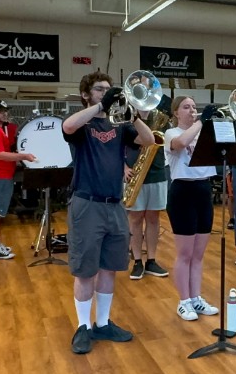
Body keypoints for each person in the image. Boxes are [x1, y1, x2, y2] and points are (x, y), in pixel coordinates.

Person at [62, 72, 155, 354]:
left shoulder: (120, 125)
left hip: (114, 204)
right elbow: (67, 126)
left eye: (108, 89)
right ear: (86, 94)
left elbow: (149, 140)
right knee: (85, 270)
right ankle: (83, 327)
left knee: (109, 268)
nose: (105, 92)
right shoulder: (84, 124)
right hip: (86, 203)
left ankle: (102, 323)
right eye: (99, 89)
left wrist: (132, 114)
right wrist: (101, 106)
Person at [163, 96, 221, 321]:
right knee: (185, 253)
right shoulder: (171, 132)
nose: (192, 110)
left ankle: (196, 298)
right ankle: (184, 301)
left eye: (194, 107)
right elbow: (180, 144)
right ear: (176, 112)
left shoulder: (203, 132)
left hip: (203, 190)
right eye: (186, 107)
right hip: (182, 193)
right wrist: (201, 122)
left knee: (198, 254)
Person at [0, 100, 36, 260]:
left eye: (6, 111)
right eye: (0, 111)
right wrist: (23, 156)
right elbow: (0, 155)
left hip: (2, 176)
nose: (4, 114)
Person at [125, 108, 169, 279]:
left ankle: (151, 260)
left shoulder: (161, 119)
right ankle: (137, 261)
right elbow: (117, 147)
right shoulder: (126, 121)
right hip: (135, 174)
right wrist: (124, 167)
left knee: (153, 218)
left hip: (157, 173)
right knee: (135, 219)